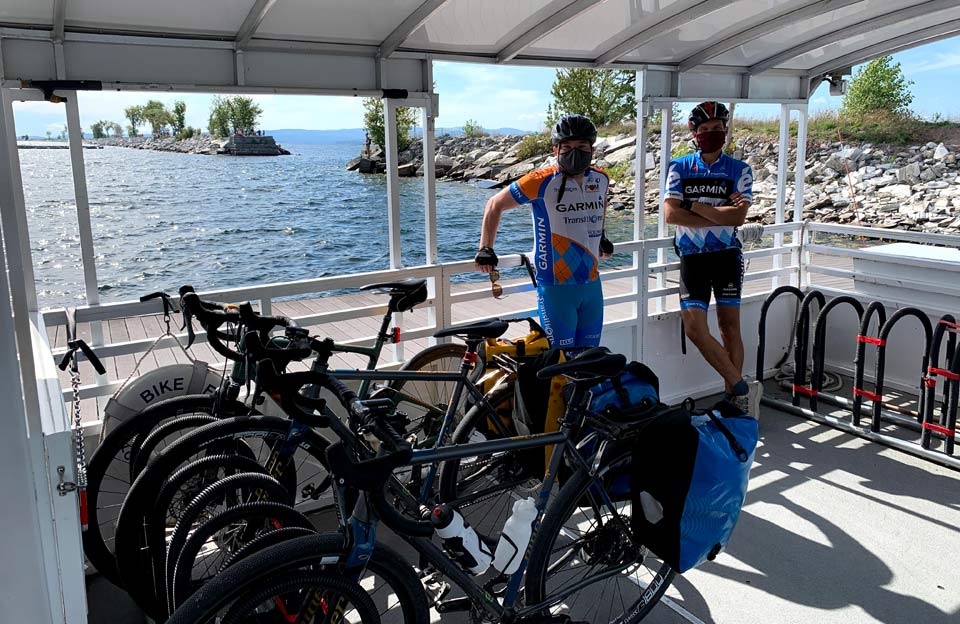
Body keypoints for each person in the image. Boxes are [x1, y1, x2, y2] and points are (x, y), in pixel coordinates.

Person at [475, 114, 614, 352]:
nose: (574, 152)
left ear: (592, 149)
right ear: (555, 149)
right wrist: (486, 248)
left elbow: (599, 205)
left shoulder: (601, 178)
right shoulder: (540, 181)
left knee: (589, 360)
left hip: (591, 283)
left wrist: (600, 236)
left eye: (581, 146)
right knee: (560, 364)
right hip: (555, 287)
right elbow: (494, 204)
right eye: (567, 147)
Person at [663, 101, 760, 415]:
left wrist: (695, 206)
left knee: (730, 327)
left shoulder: (740, 170)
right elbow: (669, 214)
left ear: (725, 131)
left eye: (717, 129)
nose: (711, 134)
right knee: (694, 329)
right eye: (704, 130)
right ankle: (739, 383)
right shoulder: (679, 167)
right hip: (693, 257)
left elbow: (739, 218)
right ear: (694, 133)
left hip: (726, 256)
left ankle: (734, 399)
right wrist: (721, 214)